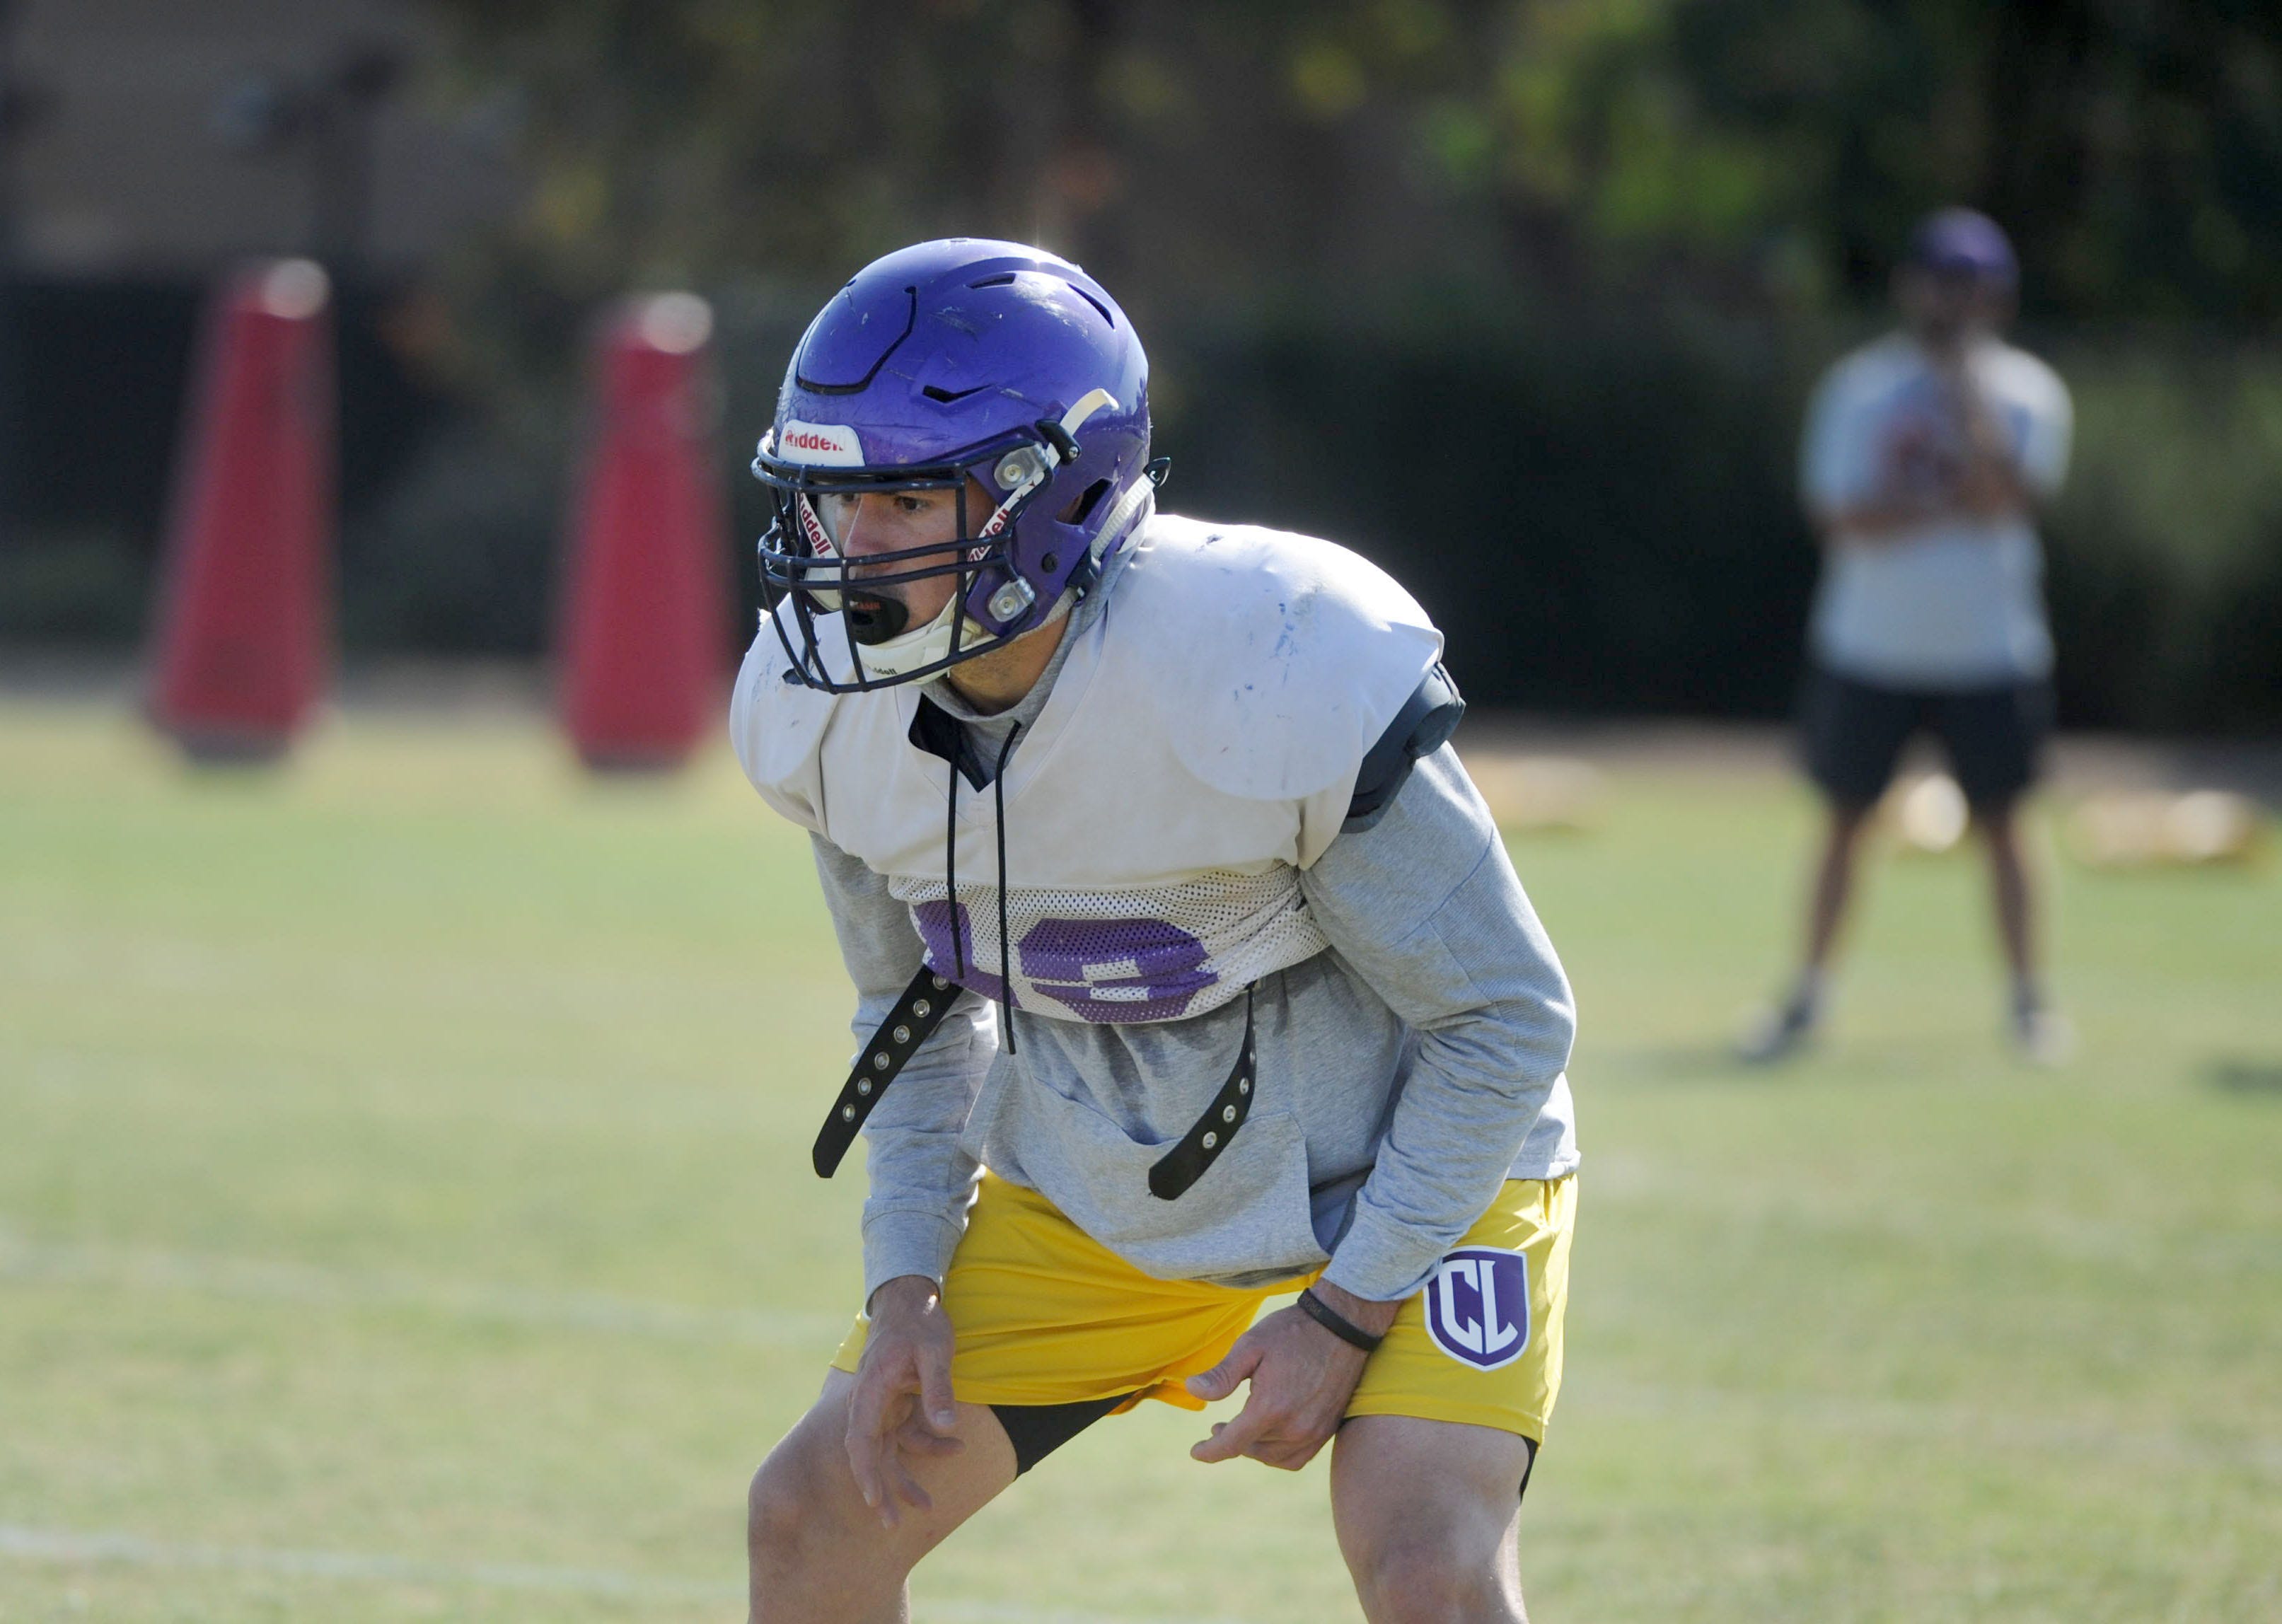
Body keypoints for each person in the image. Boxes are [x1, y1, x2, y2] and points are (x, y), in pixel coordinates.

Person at [729, 238, 1580, 1624]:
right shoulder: (823, 711)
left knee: (1429, 1568)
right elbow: (915, 1025)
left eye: (902, 497)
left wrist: (1348, 1309)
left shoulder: (1266, 658)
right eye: (833, 500)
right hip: (1100, 1184)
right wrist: (903, 1286)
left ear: (1050, 492)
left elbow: (1503, 1020)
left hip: (1401, 1165)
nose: (851, 550)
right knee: (813, 1513)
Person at [1743, 208, 2074, 1065]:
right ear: (1909, 286)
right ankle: (1806, 997)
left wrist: (1967, 400)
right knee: (1843, 824)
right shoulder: (1859, 388)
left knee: (2006, 826)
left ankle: (2029, 1005)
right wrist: (1948, 506)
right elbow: (1842, 517)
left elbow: (2009, 500)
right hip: (1870, 647)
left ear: (1998, 297)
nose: (1953, 302)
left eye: (1972, 286)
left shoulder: (2029, 393)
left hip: (1991, 650)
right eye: (1941, 282)